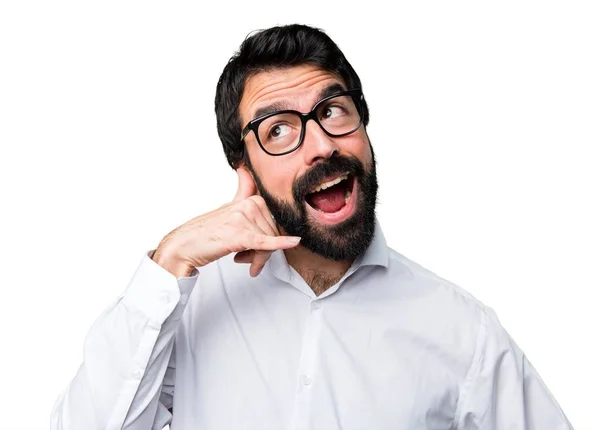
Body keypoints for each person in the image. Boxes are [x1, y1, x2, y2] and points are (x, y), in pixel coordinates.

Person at [51, 24, 573, 430]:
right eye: (278, 129)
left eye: (333, 111)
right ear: (246, 171)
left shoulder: (463, 331)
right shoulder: (188, 311)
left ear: (364, 129)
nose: (321, 145)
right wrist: (170, 260)